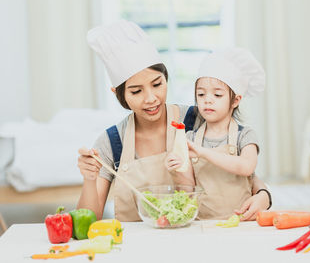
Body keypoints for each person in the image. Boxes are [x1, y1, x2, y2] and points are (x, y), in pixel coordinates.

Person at [77, 20, 270, 221]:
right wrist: (89, 179)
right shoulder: (111, 142)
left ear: (166, 78)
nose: (151, 98)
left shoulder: (198, 119)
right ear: (119, 94)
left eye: (157, 84)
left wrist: (264, 195)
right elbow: (89, 218)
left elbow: (237, 175)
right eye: (136, 91)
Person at [166, 48, 272, 220]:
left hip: (241, 223)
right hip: (202, 224)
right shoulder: (190, 138)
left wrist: (202, 152)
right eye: (201, 94)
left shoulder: (244, 136)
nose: (207, 99)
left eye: (217, 94)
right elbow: (188, 190)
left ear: (235, 100)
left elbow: (246, 167)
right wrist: (178, 170)